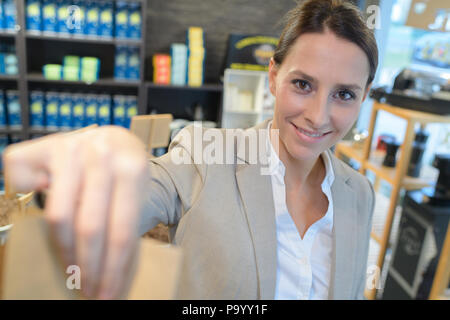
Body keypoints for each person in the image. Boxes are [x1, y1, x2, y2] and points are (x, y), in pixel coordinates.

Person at [4, 0, 378, 300]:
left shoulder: (359, 193)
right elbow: (125, 201)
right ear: (273, 76)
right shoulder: (204, 154)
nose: (318, 115)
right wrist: (86, 177)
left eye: (344, 94)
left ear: (364, 95)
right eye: (302, 84)